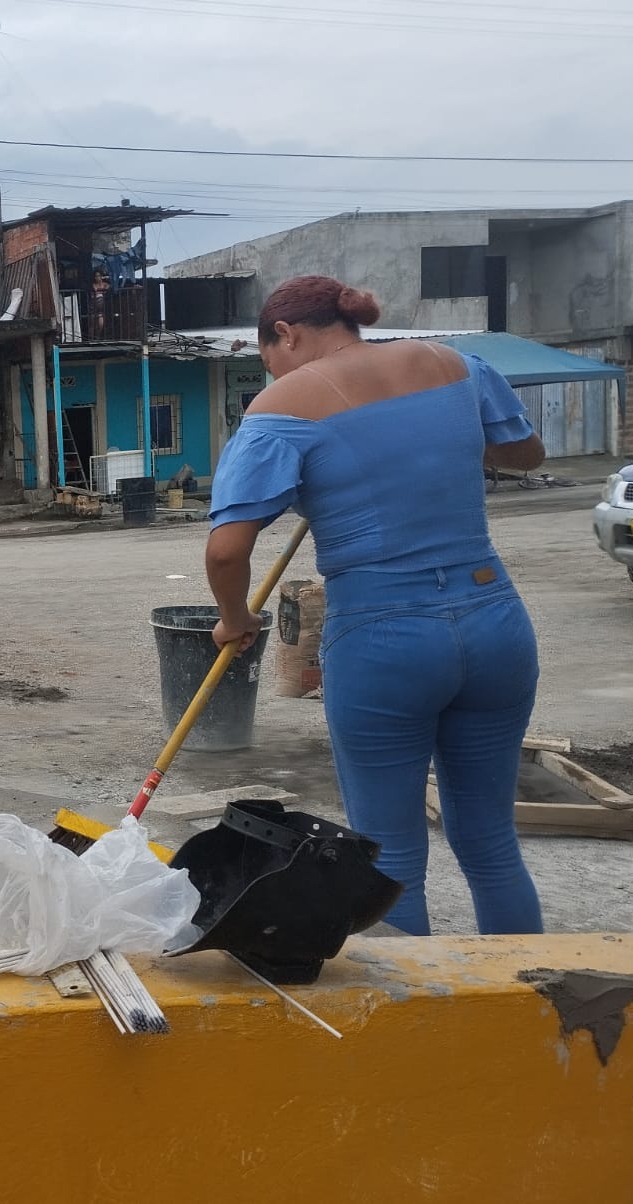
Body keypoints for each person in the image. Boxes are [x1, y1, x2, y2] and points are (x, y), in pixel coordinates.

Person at [203, 275, 545, 937]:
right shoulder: (456, 364)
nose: (272, 373)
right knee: (490, 841)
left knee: (388, 858)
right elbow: (525, 453)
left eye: (267, 357)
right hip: (494, 622)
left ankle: (414, 1008)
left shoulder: (280, 408)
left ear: (285, 334)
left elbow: (225, 552)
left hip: (384, 641)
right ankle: (533, 993)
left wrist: (235, 619)